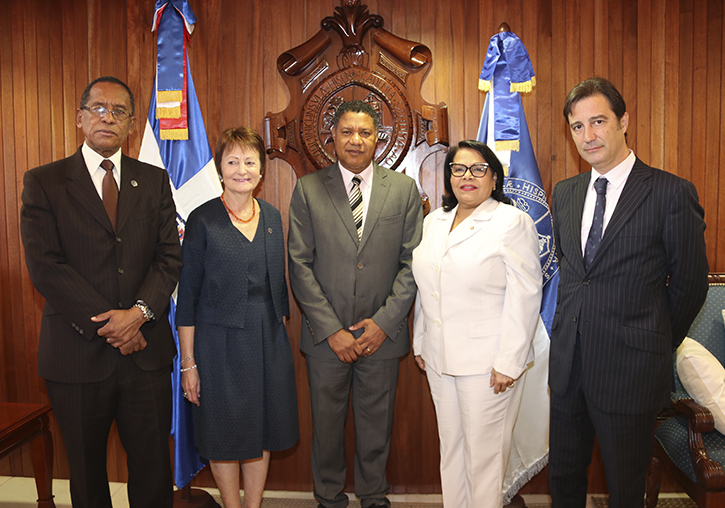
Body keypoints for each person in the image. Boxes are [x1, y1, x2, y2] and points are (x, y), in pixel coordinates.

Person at [19, 76, 182, 508]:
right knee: (87, 474)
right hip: (76, 352)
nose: (108, 117)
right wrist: (114, 322)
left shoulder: (153, 180)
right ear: (80, 118)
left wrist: (139, 313)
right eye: (98, 108)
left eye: (119, 111)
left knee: (152, 468)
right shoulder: (44, 182)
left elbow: (169, 257)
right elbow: (46, 267)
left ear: (131, 124)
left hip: (145, 352)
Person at [548, 77, 709, 508]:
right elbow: (572, 272)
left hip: (630, 371)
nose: (588, 135)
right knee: (563, 477)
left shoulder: (671, 193)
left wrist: (651, 340)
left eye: (598, 121)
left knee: (624, 486)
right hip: (568, 367)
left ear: (623, 122)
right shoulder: (565, 193)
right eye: (577, 126)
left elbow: (691, 284)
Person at [288, 100, 423, 508]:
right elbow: (299, 264)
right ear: (332, 137)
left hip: (381, 336)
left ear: (377, 139)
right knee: (326, 429)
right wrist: (332, 330)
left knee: (376, 426)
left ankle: (372, 496)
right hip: (325, 339)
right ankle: (328, 498)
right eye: (347, 132)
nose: (356, 140)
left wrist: (383, 323)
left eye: (365, 132)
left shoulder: (402, 190)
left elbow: (412, 263)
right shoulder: (309, 188)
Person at [411, 140, 542, 508]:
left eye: (478, 169)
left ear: (494, 177)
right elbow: (428, 286)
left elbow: (526, 296)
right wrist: (421, 341)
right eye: (458, 168)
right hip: (439, 359)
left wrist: (509, 362)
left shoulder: (512, 222)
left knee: (483, 463)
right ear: (448, 175)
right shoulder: (434, 221)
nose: (467, 176)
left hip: (489, 367)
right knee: (450, 452)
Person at [175, 127, 299, 508]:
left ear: (261, 170)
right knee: (223, 434)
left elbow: (275, 287)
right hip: (217, 347)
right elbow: (188, 298)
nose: (241, 169)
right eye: (232, 161)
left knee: (262, 431)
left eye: (249, 161)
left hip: (267, 342)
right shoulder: (202, 220)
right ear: (219, 169)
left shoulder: (274, 217)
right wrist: (189, 364)